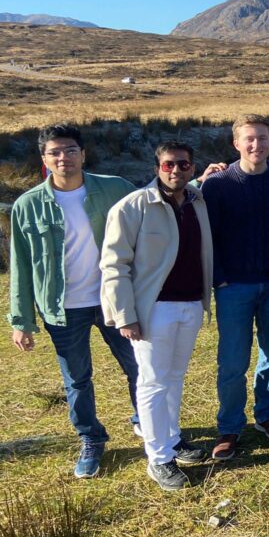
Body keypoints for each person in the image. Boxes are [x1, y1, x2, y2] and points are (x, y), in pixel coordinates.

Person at [7, 123, 140, 479]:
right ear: (44, 159)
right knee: (77, 380)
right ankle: (91, 439)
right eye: (55, 152)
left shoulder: (114, 188)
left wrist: (197, 180)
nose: (63, 157)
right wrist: (21, 320)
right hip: (62, 309)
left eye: (69, 150)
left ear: (83, 154)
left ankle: (147, 421)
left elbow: (153, 203)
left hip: (115, 301)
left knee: (139, 367)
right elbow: (20, 265)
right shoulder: (27, 205)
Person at [100, 142, 213, 491]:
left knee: (175, 376)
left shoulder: (198, 201)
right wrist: (124, 316)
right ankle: (159, 458)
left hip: (190, 305)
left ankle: (173, 439)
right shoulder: (131, 207)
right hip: (153, 310)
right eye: (168, 165)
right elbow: (114, 265)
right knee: (151, 383)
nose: (175, 170)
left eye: (183, 164)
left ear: (192, 168)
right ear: (157, 167)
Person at [201, 114, 269, 461]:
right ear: (236, 143)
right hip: (233, 286)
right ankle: (230, 426)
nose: (257, 145)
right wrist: (218, 277)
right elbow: (206, 235)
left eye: (263, 139)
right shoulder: (218, 185)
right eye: (249, 139)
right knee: (233, 362)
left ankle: (266, 415)